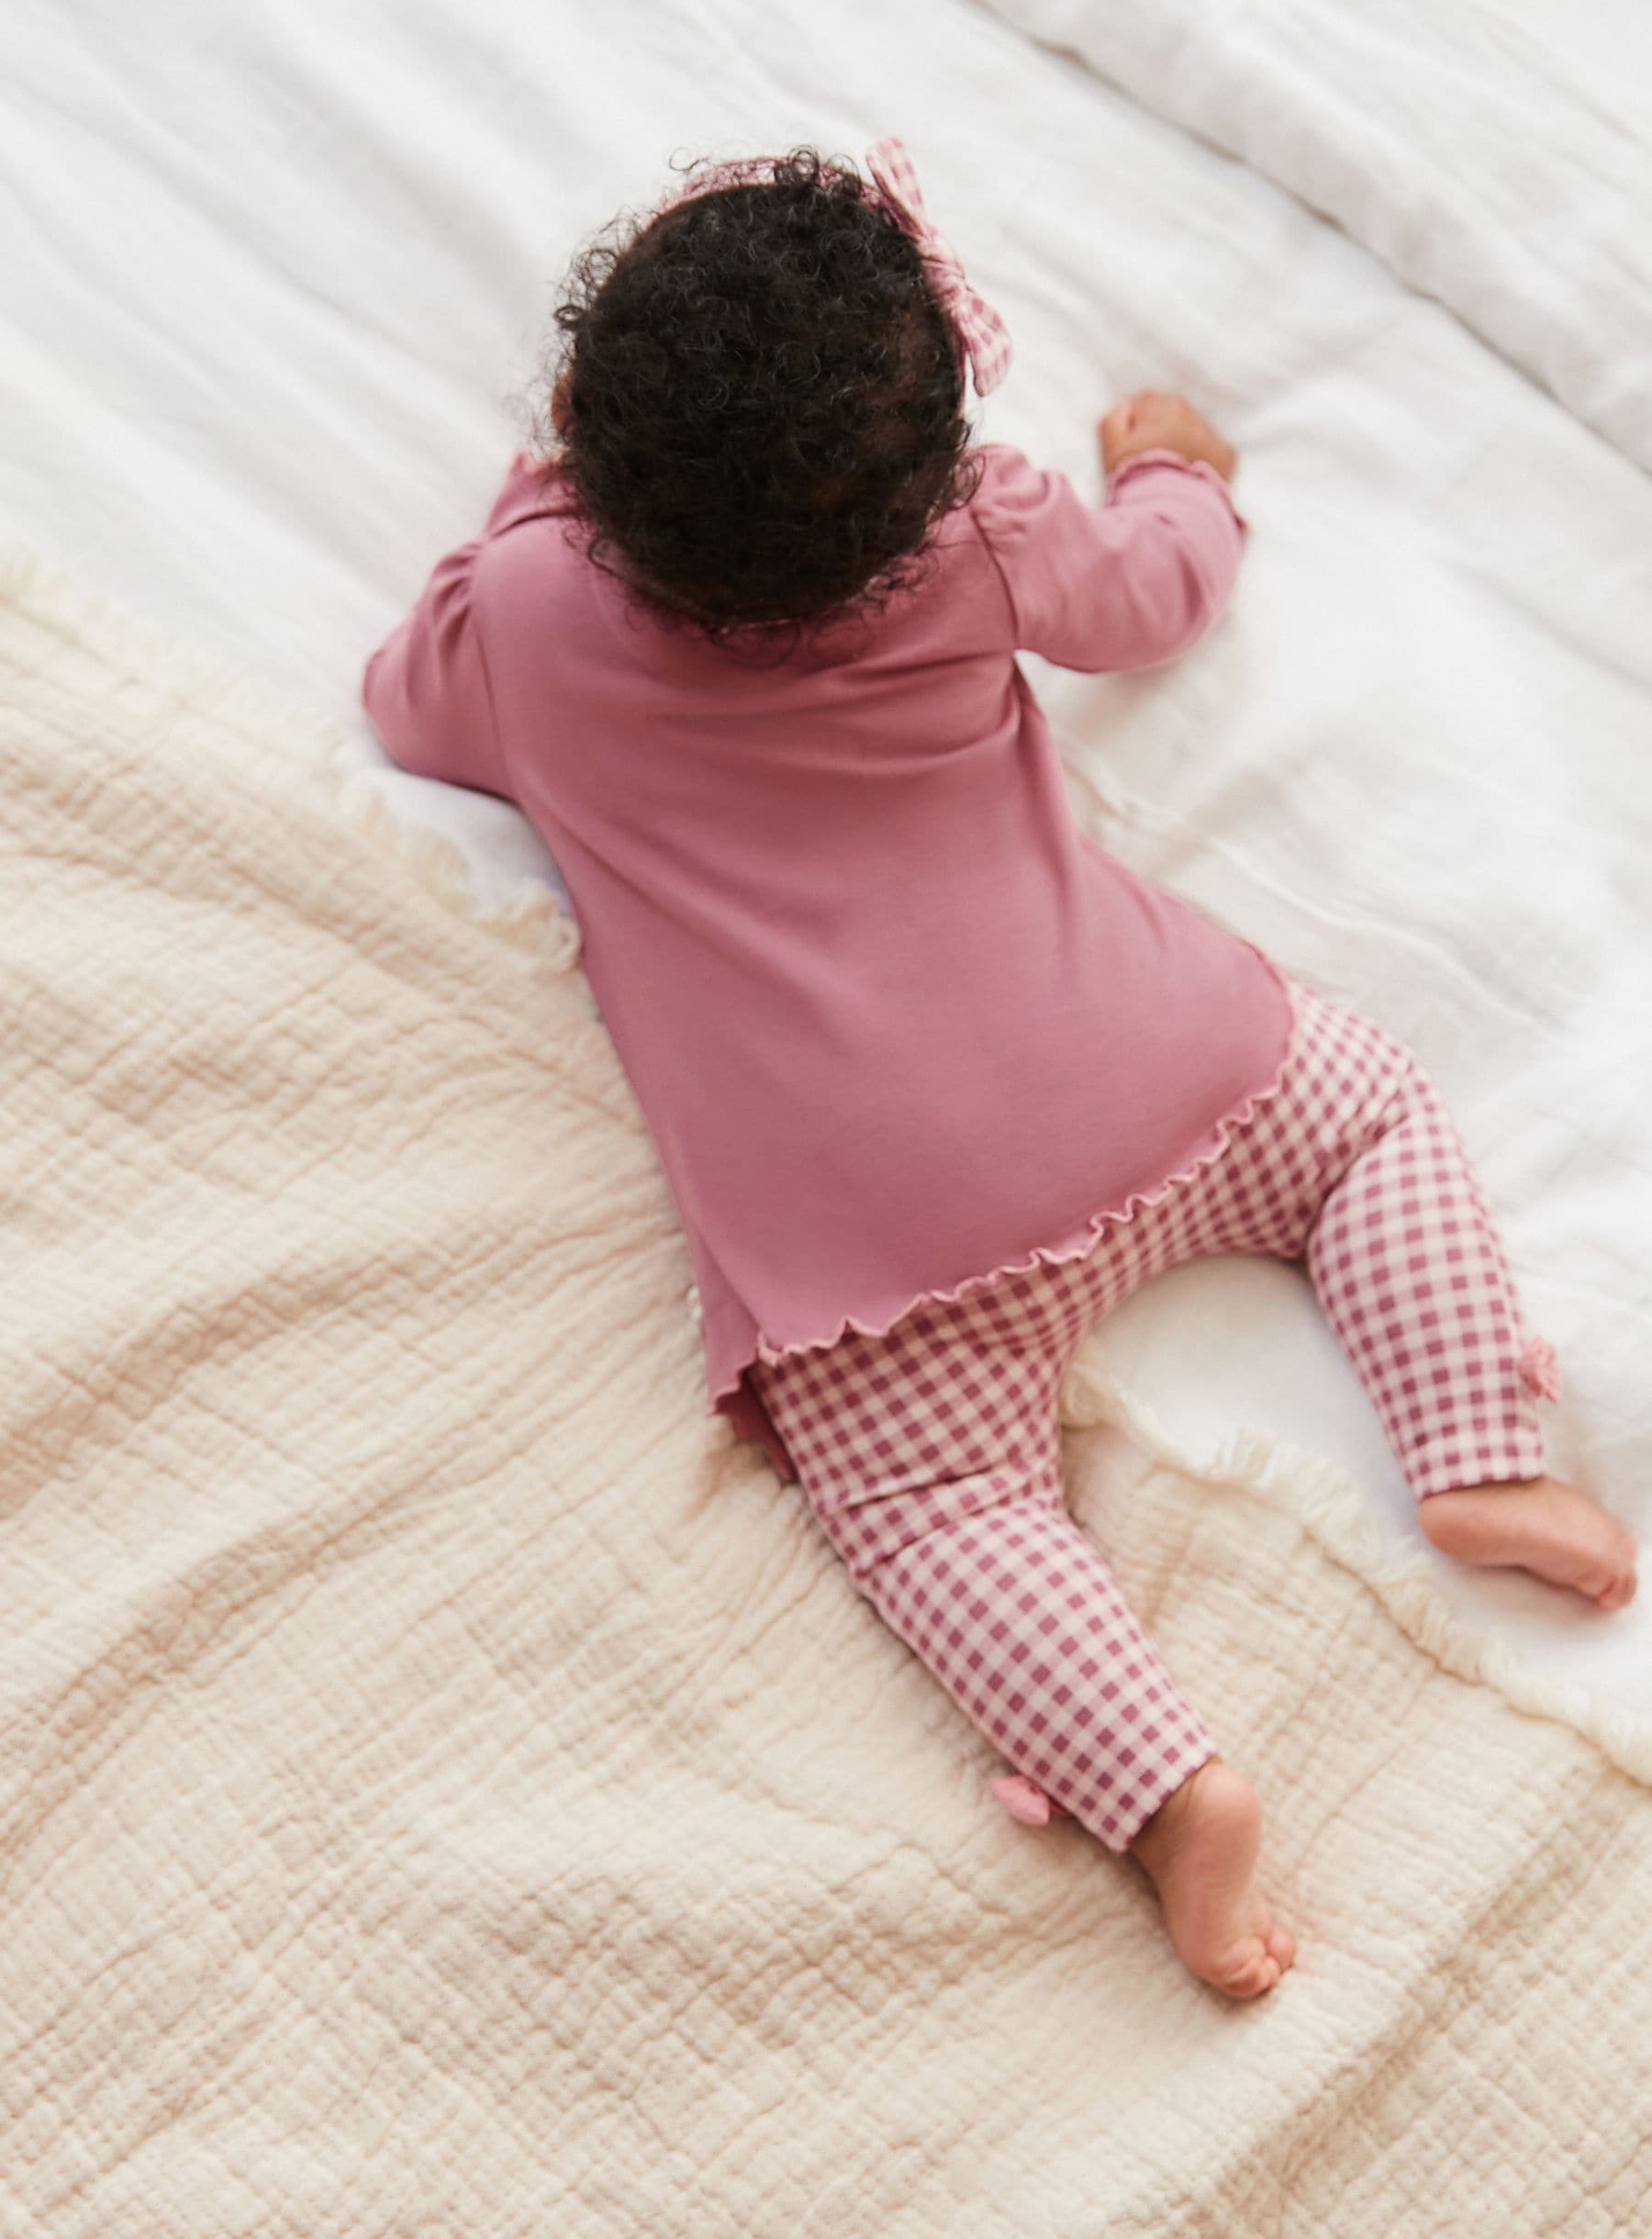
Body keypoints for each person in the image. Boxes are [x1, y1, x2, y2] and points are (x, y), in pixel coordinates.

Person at [363, 141, 1638, 1999]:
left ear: (585, 436)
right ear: (930, 455)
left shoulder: (531, 624)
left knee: (940, 1517)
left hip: (883, 1249)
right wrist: (1182, 475)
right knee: (1367, 1117)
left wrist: (529, 505)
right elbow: (1154, 599)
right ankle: (1475, 1455)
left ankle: (1172, 1789)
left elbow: (408, 700)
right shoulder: (976, 537)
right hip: (1167, 1073)